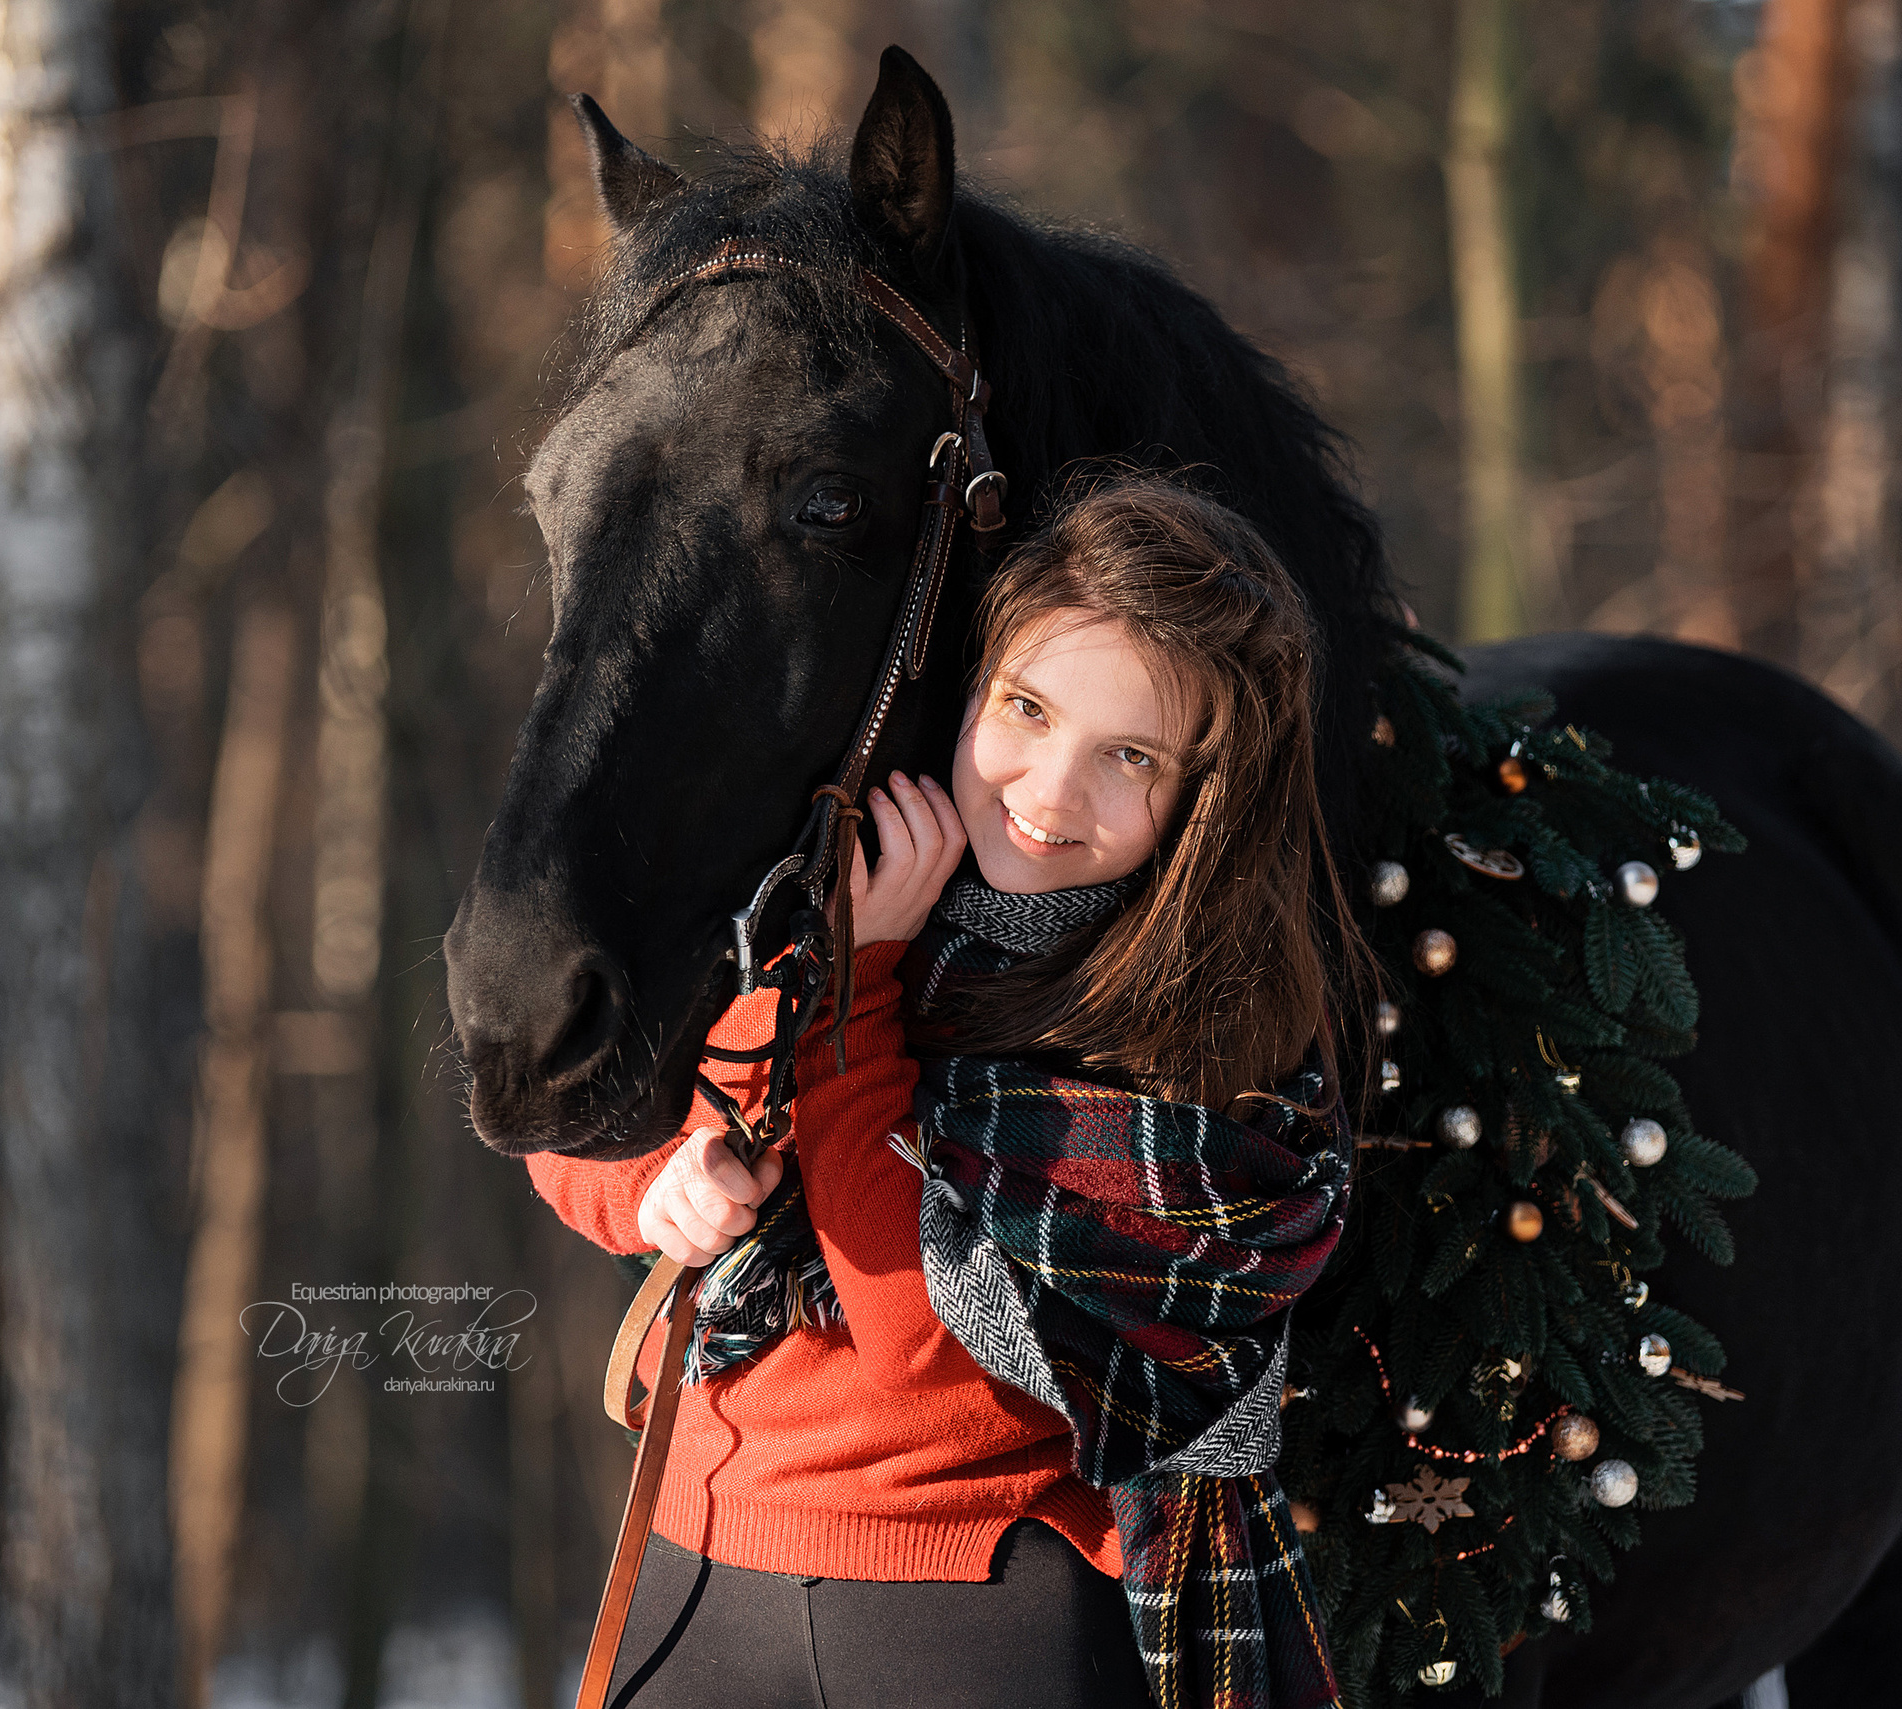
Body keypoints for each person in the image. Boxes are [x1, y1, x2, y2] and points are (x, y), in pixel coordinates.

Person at [526, 476, 1373, 1709]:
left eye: (1127, 755)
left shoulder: (1195, 1041)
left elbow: (933, 1356)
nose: (1049, 788)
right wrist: (661, 1184)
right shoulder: (828, 885)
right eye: (1025, 707)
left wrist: (858, 993)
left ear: (1205, 801)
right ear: (973, 687)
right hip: (696, 1567)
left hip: (974, 1609)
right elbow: (580, 1115)